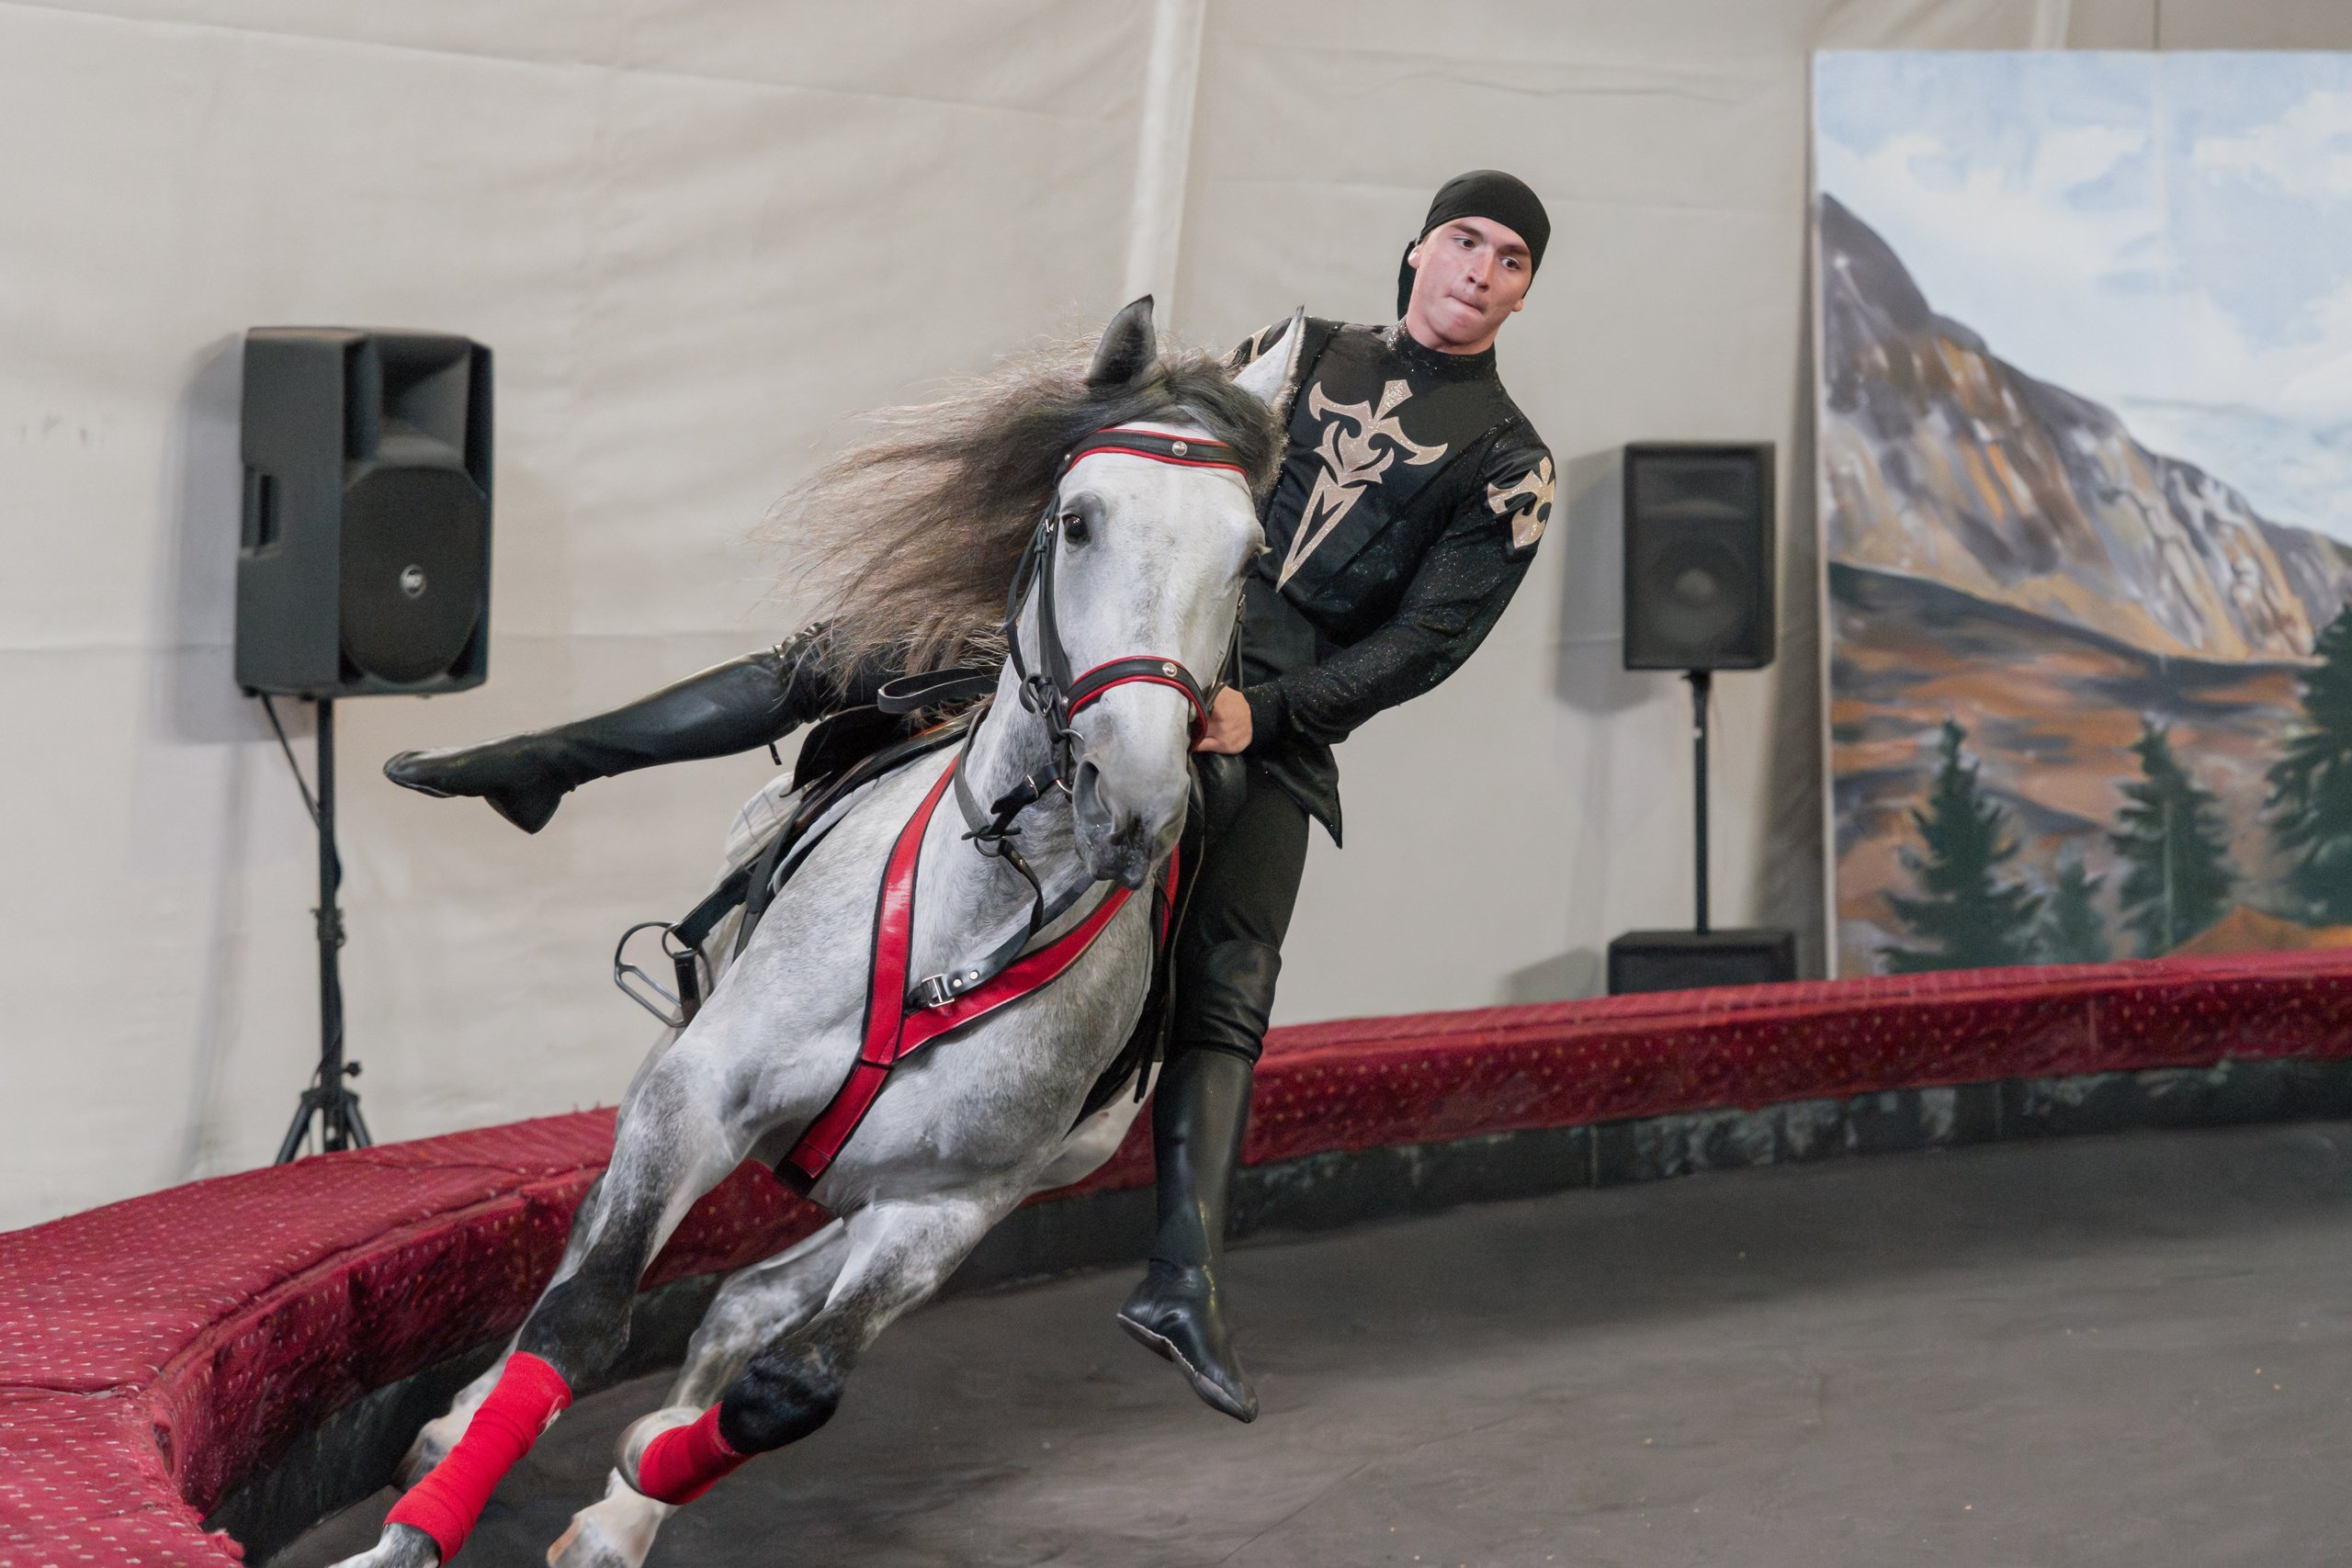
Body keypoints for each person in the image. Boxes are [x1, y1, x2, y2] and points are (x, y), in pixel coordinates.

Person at [385, 169, 1555, 1427]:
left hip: (1263, 704)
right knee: (838, 662)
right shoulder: (1298, 349)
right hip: (1136, 630)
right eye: (1464, 242)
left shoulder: (1509, 465)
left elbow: (1428, 642)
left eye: (1510, 261)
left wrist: (1264, 715)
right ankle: (557, 761)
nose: (1479, 272)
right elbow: (1171, 462)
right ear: (1420, 247)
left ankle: (1185, 1274)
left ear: (1525, 290)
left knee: (1231, 976)